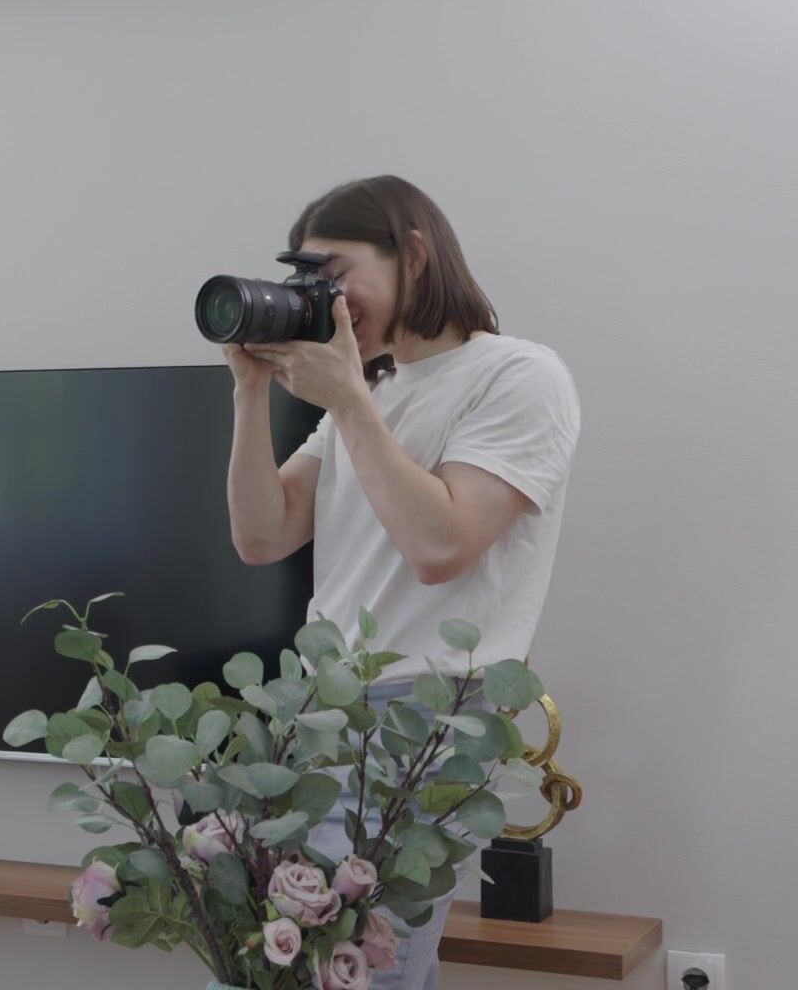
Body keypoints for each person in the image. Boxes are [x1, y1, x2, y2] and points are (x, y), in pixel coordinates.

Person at [223, 175, 581, 990]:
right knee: (324, 968)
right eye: (307, 277)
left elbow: (440, 546)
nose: (324, 298)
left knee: (361, 971)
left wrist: (350, 400)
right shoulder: (374, 390)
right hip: (318, 705)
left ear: (413, 254)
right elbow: (261, 535)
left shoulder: (519, 375)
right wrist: (249, 393)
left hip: (429, 707)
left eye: (336, 272)